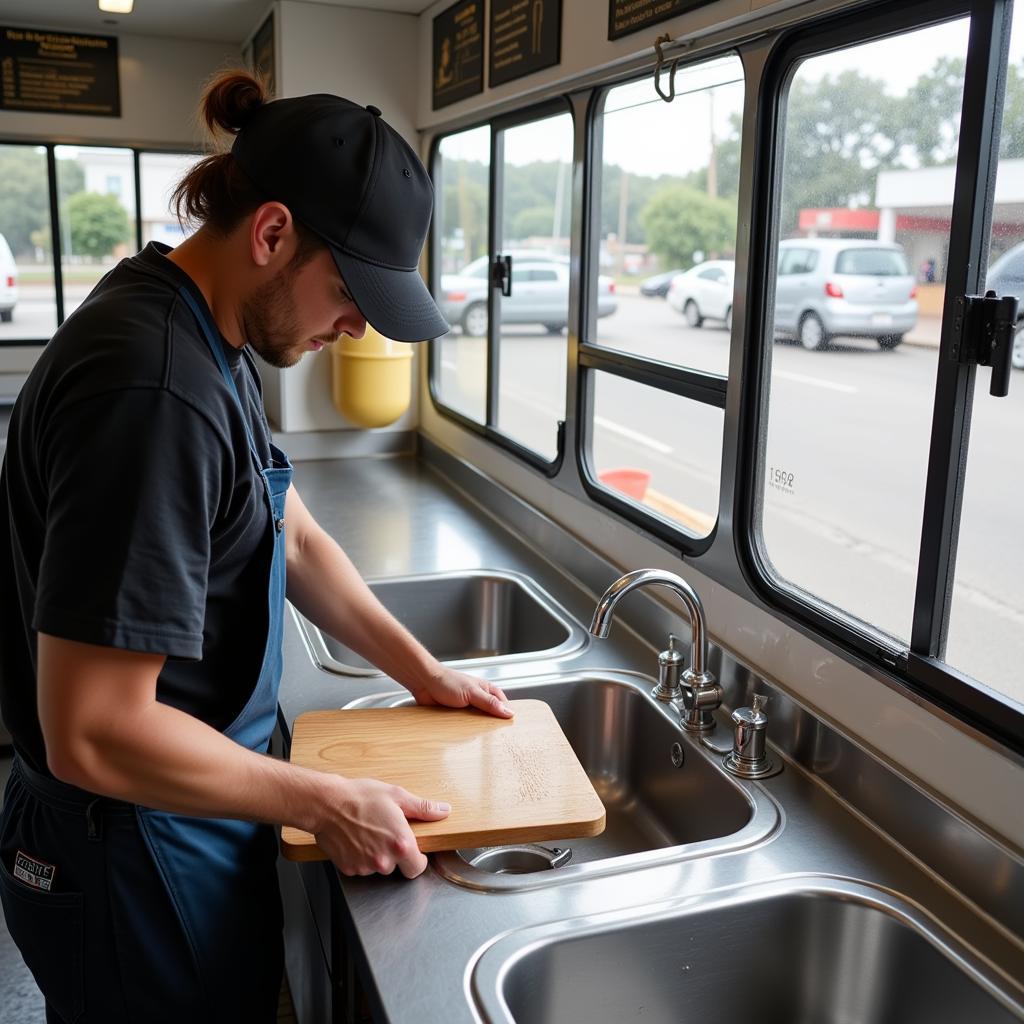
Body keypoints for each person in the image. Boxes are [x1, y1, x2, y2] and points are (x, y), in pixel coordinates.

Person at [0, 69, 512, 1023]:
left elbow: (295, 532)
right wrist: (323, 802)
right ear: (272, 233)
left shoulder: (209, 331)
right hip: (126, 844)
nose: (359, 325)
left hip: (173, 819)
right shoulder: (152, 391)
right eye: (353, 291)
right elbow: (94, 728)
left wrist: (423, 669)